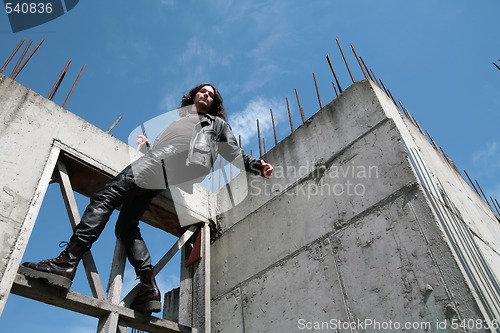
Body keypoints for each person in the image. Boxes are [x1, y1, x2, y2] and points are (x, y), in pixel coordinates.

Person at [19, 83, 274, 313]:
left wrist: (256, 166)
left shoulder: (215, 123)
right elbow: (164, 149)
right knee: (126, 225)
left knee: (106, 196)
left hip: (168, 163)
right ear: (193, 95)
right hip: (163, 167)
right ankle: (149, 288)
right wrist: (147, 146)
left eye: (211, 95)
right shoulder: (180, 121)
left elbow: (231, 150)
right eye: (203, 91)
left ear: (214, 103)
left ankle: (66, 262)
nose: (206, 95)